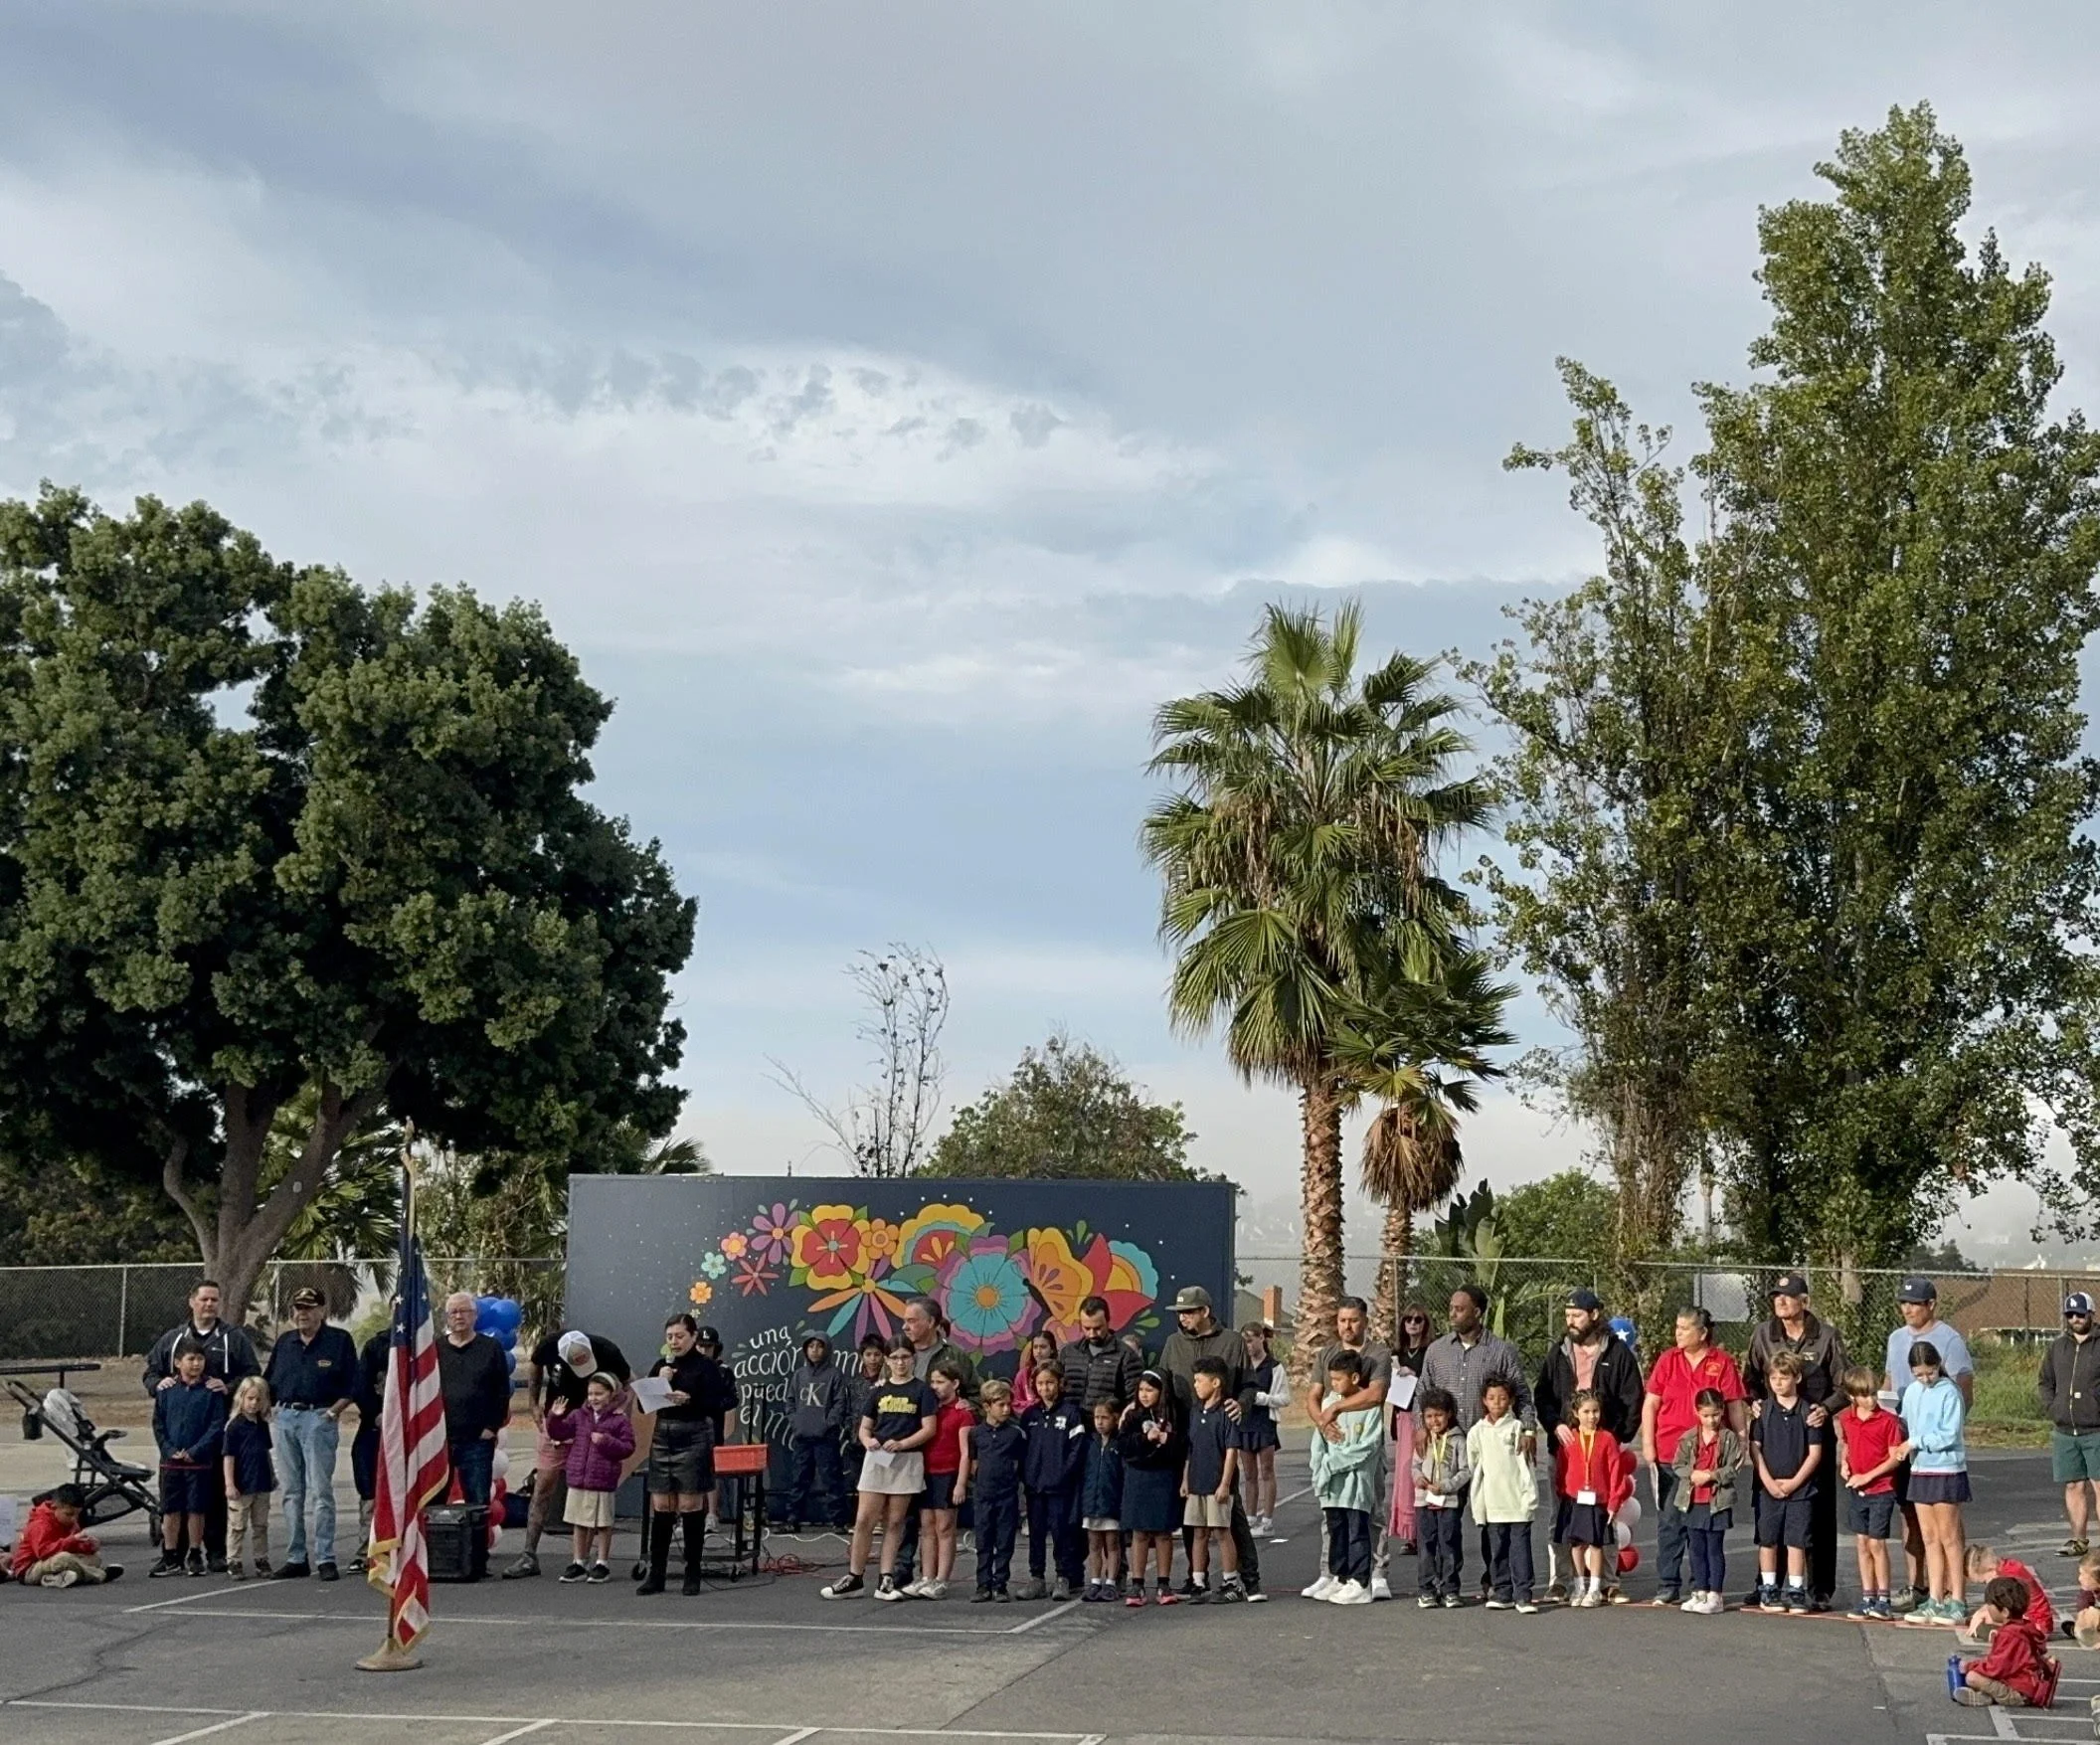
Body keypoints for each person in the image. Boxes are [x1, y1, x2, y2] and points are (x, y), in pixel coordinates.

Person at [1743, 1273, 1848, 1612]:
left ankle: (1817, 1588)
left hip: (1813, 1431)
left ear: (1804, 1301)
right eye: (1777, 1296)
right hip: (1775, 1433)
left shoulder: (1827, 1337)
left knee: (1816, 1512)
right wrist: (1754, 1400)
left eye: (1788, 1296)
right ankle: (1767, 1585)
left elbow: (1844, 1385)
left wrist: (1825, 1409)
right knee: (1770, 1511)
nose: (1781, 1301)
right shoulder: (1763, 1334)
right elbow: (1749, 1379)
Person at [1421, 1284, 1534, 1597]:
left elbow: (1521, 1394)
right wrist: (1422, 1427)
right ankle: (1447, 1585)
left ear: (1478, 1313)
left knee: (1492, 1521)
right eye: (1451, 1308)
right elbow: (1423, 1393)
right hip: (1449, 1451)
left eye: (1460, 1308)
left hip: (1491, 1450)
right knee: (1447, 1524)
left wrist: (1528, 1429)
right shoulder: (1437, 1350)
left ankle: (1494, 1581)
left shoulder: (1501, 1351)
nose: (1453, 1313)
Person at [141, 1280, 261, 1572]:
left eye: (214, 1300)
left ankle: (214, 1552)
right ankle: (174, 1555)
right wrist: (158, 1384)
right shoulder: (172, 1339)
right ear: (192, 1301)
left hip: (218, 1431)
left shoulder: (233, 1338)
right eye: (204, 1299)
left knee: (213, 1495)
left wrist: (229, 1386)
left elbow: (252, 1374)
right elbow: (150, 1372)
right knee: (175, 1501)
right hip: (178, 1432)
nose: (209, 1305)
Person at [1534, 1287, 1645, 1602]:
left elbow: (1632, 1399)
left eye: (1577, 1315)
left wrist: (1617, 1438)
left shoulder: (1617, 1353)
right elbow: (1542, 1395)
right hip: (1568, 1450)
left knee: (1605, 1517)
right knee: (1562, 1517)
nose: (1570, 1321)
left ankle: (1607, 1582)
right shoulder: (1559, 1352)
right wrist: (1555, 1424)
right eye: (1567, 1316)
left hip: (1602, 1450)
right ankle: (1562, 1580)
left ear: (1594, 1315)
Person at [1156, 1283, 1263, 1599]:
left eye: (1188, 1312)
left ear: (1205, 1311)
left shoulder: (1231, 1342)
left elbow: (1249, 1385)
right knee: (1193, 1514)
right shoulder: (1173, 1343)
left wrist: (1240, 1404)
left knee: (1231, 1513)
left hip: (1219, 1438)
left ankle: (1248, 1579)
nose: (1182, 1318)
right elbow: (1161, 1383)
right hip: (1186, 1437)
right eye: (1179, 1313)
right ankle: (1196, 1577)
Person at [1641, 1305, 1748, 1607]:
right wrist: (1647, 1444)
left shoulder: (1722, 1362)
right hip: (1670, 1455)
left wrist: (1741, 1439)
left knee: (1702, 1525)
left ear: (1702, 1332)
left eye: (1684, 1328)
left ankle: (1700, 1586)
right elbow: (1651, 1404)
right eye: (1676, 1327)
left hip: (1710, 1460)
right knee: (1670, 1521)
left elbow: (1736, 1405)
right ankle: (1668, 1583)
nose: (1678, 1333)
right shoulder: (1667, 1360)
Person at [504, 1325, 630, 1578]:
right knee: (543, 1485)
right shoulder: (549, 1346)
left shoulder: (606, 1349)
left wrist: (614, 1416)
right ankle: (529, 1554)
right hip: (559, 1421)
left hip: (592, 1426)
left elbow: (626, 1383)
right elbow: (535, 1366)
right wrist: (533, 1402)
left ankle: (595, 1561)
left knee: (594, 1491)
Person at [821, 1337, 937, 1602]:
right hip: (878, 1458)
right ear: (887, 1360)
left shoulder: (922, 1391)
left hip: (906, 1460)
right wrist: (867, 1440)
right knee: (864, 1520)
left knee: (895, 1521)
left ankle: (886, 1578)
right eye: (894, 1357)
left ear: (912, 1359)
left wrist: (904, 1443)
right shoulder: (878, 1391)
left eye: (905, 1357)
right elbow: (864, 1427)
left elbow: (929, 1428)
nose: (900, 1362)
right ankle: (854, 1576)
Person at [1884, 1276, 1975, 1612]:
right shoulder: (1896, 1341)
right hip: (1916, 1458)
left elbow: (1962, 1394)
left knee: (1949, 1530)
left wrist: (1922, 1439)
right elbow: (1892, 1387)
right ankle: (1925, 1591)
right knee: (1918, 1525)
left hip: (1943, 1461)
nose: (1907, 1309)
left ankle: (1955, 1594)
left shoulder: (1949, 1341)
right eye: (1903, 1303)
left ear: (1930, 1305)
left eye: (1914, 1303)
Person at [262, 1288, 356, 1582]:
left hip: (319, 1417)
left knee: (321, 1492)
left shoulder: (338, 1341)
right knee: (291, 1492)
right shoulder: (285, 1342)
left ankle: (325, 1557)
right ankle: (296, 1557)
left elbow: (353, 1384)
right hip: (286, 1418)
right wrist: (269, 1409)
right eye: (297, 1308)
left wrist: (333, 1412)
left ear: (322, 1311)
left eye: (308, 1308)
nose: (302, 1313)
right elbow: (269, 1380)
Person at [638, 1313, 734, 1598]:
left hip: (694, 1434)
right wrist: (658, 1381)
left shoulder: (705, 1367)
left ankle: (692, 1573)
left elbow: (720, 1402)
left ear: (692, 1337)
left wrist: (689, 1399)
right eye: (669, 1337)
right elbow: (644, 1407)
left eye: (679, 1336)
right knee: (662, 1504)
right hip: (664, 1434)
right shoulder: (662, 1365)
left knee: (690, 1502)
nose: (674, 1342)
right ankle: (657, 1574)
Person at [1307, 1297, 1394, 1599]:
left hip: (1363, 1445)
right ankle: (1333, 1573)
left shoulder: (1377, 1354)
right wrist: (1323, 1422)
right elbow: (1315, 1396)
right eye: (1342, 1320)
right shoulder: (1327, 1354)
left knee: (1371, 1511)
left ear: (1365, 1321)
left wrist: (1338, 1409)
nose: (1347, 1326)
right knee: (1334, 1516)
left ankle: (1376, 1573)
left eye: (1354, 1320)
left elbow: (1375, 1394)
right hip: (1333, 1442)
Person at [1897, 1338, 1971, 1628]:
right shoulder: (1913, 1392)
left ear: (1938, 1365)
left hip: (1947, 1470)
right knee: (1928, 1537)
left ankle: (1957, 1600)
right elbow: (1904, 1423)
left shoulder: (1950, 1392)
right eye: (1919, 1374)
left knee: (1949, 1538)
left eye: (1930, 1372)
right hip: (1920, 1470)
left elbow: (1949, 1434)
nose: (1925, 1379)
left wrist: (1915, 1441)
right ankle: (1935, 1598)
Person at [1309, 1350, 1383, 1606]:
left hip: (1356, 1485)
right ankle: (1340, 1576)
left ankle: (1361, 1581)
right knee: (1336, 1530)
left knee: (1356, 1532)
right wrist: (1320, 1470)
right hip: (1332, 1486)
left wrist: (1335, 1464)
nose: (1334, 1385)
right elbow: (1319, 1441)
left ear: (1354, 1377)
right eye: (1331, 1379)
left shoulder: (1370, 1408)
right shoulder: (1329, 1402)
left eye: (1339, 1379)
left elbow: (1368, 1447)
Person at [1751, 1350, 1824, 1614]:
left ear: (1797, 1377)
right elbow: (1755, 1449)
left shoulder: (1808, 1412)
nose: (1778, 1382)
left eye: (1784, 1377)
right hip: (1768, 1489)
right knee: (1768, 1540)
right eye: (1773, 1378)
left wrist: (1794, 1483)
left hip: (1800, 1490)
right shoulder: (1764, 1411)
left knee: (1796, 1541)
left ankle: (1795, 1590)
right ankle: (1769, 1589)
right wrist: (1769, 1482)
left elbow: (1815, 1453)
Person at [546, 1369, 635, 1583]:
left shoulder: (619, 1420)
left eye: (599, 1394)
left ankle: (602, 1562)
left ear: (611, 1394)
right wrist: (555, 1417)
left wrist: (606, 1441)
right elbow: (559, 1433)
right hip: (578, 1476)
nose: (594, 1398)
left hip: (602, 1478)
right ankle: (579, 1561)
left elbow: (628, 1447)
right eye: (591, 1394)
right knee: (579, 1522)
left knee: (602, 1523)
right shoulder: (579, 1415)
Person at [151, 1339, 227, 1578]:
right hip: (171, 1461)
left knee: (197, 1508)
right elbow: (158, 1423)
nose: (196, 1364)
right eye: (190, 1359)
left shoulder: (211, 1392)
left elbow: (216, 1425)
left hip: (199, 1461)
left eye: (200, 1359)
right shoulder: (166, 1391)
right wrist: (168, 1449)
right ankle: (170, 1555)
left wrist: (195, 1451)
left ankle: (195, 1553)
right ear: (177, 1362)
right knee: (170, 1509)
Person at [1836, 1365, 1904, 1620]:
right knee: (1862, 1543)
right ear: (1852, 1396)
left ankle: (1884, 1598)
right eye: (1864, 1395)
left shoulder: (1888, 1421)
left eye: (1873, 1393)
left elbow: (1895, 1457)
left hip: (1881, 1490)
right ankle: (1868, 1596)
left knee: (1877, 1543)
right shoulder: (1846, 1419)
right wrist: (1845, 1464)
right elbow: (1848, 1446)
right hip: (1857, 1490)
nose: (1871, 1399)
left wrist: (1869, 1475)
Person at [1670, 1387, 1747, 1617]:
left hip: (1717, 1501)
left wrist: (1712, 1476)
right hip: (1693, 1500)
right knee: (1695, 1548)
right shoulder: (1688, 1438)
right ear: (1697, 1413)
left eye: (1715, 1414)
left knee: (1714, 1549)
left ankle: (1716, 1594)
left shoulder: (1729, 1438)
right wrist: (1691, 1474)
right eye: (1706, 1415)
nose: (1711, 1420)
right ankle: (1699, 1591)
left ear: (1722, 1411)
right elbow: (1677, 1465)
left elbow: (1733, 1468)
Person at [1468, 1376, 1539, 1613]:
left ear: (1510, 1401)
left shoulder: (1517, 1428)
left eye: (1502, 1398)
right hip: (1492, 1503)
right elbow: (1474, 1466)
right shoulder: (1477, 1432)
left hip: (1517, 1502)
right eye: (1491, 1398)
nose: (1496, 1403)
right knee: (1497, 1551)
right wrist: (1479, 1503)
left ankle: (1524, 1595)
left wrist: (1530, 1498)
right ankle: (1502, 1592)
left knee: (1520, 1551)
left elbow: (1526, 1467)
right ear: (1483, 1401)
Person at [1018, 1361, 1089, 1601]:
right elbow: (1023, 1449)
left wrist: (1063, 1476)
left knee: (1063, 1532)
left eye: (1050, 1383)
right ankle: (1036, 1577)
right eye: (1040, 1383)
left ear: (1060, 1384)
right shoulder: (1030, 1415)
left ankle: (1063, 1577)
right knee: (1036, 1532)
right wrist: (1027, 1476)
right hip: (1035, 1487)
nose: (1045, 1388)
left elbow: (1077, 1449)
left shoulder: (1070, 1413)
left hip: (1061, 1487)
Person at [1554, 1388, 1630, 1608]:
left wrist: (1614, 1500)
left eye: (1595, 1411)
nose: (1592, 1416)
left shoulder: (1607, 1439)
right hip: (1574, 1499)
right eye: (1586, 1411)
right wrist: (1563, 1491)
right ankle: (1578, 1586)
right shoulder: (1569, 1439)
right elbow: (1561, 1468)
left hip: (1599, 1500)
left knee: (1596, 1544)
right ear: (1576, 1413)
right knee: (1576, 1545)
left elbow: (1616, 1471)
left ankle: (1595, 1589)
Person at [436, 1292, 511, 1508]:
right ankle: (438, 1543)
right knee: (435, 1502)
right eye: (454, 1312)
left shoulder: (490, 1348)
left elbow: (502, 1391)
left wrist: (491, 1427)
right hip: (441, 1440)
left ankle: (477, 1543)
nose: (459, 1316)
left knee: (478, 1503)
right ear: (447, 1317)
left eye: (464, 1311)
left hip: (477, 1440)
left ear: (475, 1315)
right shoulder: (436, 1349)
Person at [2038, 1291, 2100, 1559]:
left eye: (2080, 1314)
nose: (2075, 1319)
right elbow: (2045, 1381)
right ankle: (2079, 1539)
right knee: (2073, 1486)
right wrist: (2053, 1407)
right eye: (2070, 1315)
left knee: (2099, 1485)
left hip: (2095, 1429)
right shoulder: (2057, 1347)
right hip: (2065, 1430)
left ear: (2091, 1315)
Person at [1118, 1370, 1185, 1607]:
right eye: (1142, 1390)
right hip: (1139, 1476)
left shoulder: (1173, 1415)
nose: (1145, 1395)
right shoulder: (1132, 1416)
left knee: (1163, 1532)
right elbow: (1123, 1445)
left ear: (1161, 1392)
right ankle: (1136, 1584)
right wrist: (1145, 1438)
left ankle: (1163, 1583)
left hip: (1164, 1477)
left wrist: (1167, 1440)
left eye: (1150, 1390)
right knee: (1139, 1532)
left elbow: (1183, 1447)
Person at [908, 1357, 973, 1599]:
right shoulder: (929, 1408)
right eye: (932, 1381)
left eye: (941, 1381)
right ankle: (926, 1576)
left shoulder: (963, 1414)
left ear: (955, 1383)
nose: (935, 1386)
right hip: (926, 1472)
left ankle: (942, 1580)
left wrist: (960, 1483)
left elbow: (966, 1452)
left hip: (948, 1473)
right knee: (927, 1527)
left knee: (945, 1527)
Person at [1181, 1356, 1241, 1603]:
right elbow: (1191, 1449)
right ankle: (1198, 1580)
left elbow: (1231, 1450)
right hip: (1197, 1481)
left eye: (1199, 1380)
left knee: (1221, 1531)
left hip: (1217, 1483)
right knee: (1198, 1532)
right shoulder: (1195, 1411)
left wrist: (1225, 1483)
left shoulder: (1226, 1412)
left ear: (1215, 1382)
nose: (1195, 1385)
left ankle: (1231, 1582)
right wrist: (1186, 1480)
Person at [1951, 1576, 2061, 1710]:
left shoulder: (2010, 1634)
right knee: (1979, 1671)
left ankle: (1989, 1697)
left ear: (2004, 1611)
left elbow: (1996, 1668)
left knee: (1972, 1678)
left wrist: (1969, 1667)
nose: (1987, 1608)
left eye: (1989, 1605)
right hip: (2026, 1684)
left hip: (2020, 1692)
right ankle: (1985, 1696)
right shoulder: (2025, 1626)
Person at [962, 1379, 1027, 1602]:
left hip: (1007, 1495)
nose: (1006, 1409)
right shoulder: (976, 1433)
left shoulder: (1015, 1434)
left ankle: (1001, 1584)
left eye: (1009, 1404)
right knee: (984, 1540)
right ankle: (983, 1585)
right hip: (983, 1495)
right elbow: (971, 1462)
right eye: (1001, 1405)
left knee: (1005, 1541)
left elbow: (1021, 1462)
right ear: (987, 1406)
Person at [1410, 1385, 1470, 1609]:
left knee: (1449, 1545)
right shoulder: (1423, 1439)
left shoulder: (1458, 1440)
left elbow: (1466, 1471)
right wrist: (1418, 1478)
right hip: (1424, 1502)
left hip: (1449, 1502)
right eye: (1429, 1416)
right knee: (1426, 1546)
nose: (1434, 1421)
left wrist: (1446, 1486)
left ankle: (1450, 1590)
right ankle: (1426, 1590)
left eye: (1439, 1415)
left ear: (1449, 1414)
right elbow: (1414, 1465)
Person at [785, 1333, 849, 1533]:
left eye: (819, 1346)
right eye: (810, 1346)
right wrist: (796, 1423)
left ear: (827, 1349)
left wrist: (828, 1424)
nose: (814, 1350)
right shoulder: (799, 1375)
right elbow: (790, 1401)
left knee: (831, 1478)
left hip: (826, 1437)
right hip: (803, 1436)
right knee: (799, 1478)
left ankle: (838, 1521)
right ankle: (793, 1519)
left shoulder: (834, 1374)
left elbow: (840, 1403)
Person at [9, 1484, 121, 1588]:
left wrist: (88, 1545)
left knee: (95, 1558)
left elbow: (73, 1546)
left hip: (54, 1560)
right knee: (64, 1559)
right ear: (54, 1508)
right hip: (30, 1569)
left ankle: (56, 1578)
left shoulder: (71, 1522)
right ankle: (100, 1575)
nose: (73, 1519)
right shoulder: (40, 1524)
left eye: (77, 1514)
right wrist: (71, 1540)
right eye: (69, 1514)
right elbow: (43, 1552)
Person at [222, 1375, 276, 1581]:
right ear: (241, 1398)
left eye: (258, 1399)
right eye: (250, 1398)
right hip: (241, 1485)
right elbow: (229, 1457)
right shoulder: (234, 1426)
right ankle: (233, 1560)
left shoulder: (262, 1425)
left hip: (261, 1483)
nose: (254, 1404)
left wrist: (272, 1477)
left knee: (261, 1525)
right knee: (237, 1525)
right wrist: (229, 1483)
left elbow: (266, 1453)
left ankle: (261, 1558)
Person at [348, 1320, 388, 1572]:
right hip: (373, 1430)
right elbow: (360, 1387)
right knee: (369, 1494)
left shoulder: (424, 1343)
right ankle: (366, 1552)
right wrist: (376, 1414)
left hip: (410, 1432)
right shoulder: (376, 1347)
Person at [1059, 1296, 1143, 1413]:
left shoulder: (1126, 1356)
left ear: (1108, 1321)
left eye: (1098, 1328)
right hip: (1069, 1425)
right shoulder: (1068, 1353)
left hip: (1107, 1428)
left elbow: (1134, 1401)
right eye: (1086, 1328)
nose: (1092, 1334)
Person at [1238, 1321, 1284, 1535]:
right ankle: (1250, 1516)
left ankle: (1268, 1519)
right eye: (1244, 1342)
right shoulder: (1242, 1366)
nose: (1248, 1346)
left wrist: (1264, 1399)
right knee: (1248, 1474)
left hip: (1265, 1422)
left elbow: (1284, 1398)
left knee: (1266, 1471)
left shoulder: (1274, 1367)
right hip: (1245, 1423)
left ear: (1260, 1338)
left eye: (1250, 1340)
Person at [1080, 1398, 1125, 1602]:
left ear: (1115, 1419)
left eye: (1104, 1417)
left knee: (1112, 1545)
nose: (1099, 1422)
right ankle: (1095, 1581)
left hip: (1111, 1502)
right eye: (1096, 1417)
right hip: (1092, 1503)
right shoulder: (1090, 1442)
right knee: (1094, 1545)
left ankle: (1111, 1582)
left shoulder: (1119, 1443)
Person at [840, 1334, 888, 1503]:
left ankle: (881, 1520)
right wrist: (851, 1431)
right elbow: (847, 1409)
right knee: (860, 1482)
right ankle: (864, 1521)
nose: (873, 1359)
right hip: (857, 1443)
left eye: (877, 1354)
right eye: (868, 1355)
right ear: (862, 1356)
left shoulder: (889, 1382)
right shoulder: (854, 1383)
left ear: (884, 1356)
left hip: (881, 1441)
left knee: (882, 1480)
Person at [1012, 1331, 1061, 1415]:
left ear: (1052, 1349)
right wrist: (1035, 1405)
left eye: (1043, 1347)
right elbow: (1016, 1403)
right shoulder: (1023, 1374)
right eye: (1035, 1347)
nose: (1038, 1351)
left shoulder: (1059, 1373)